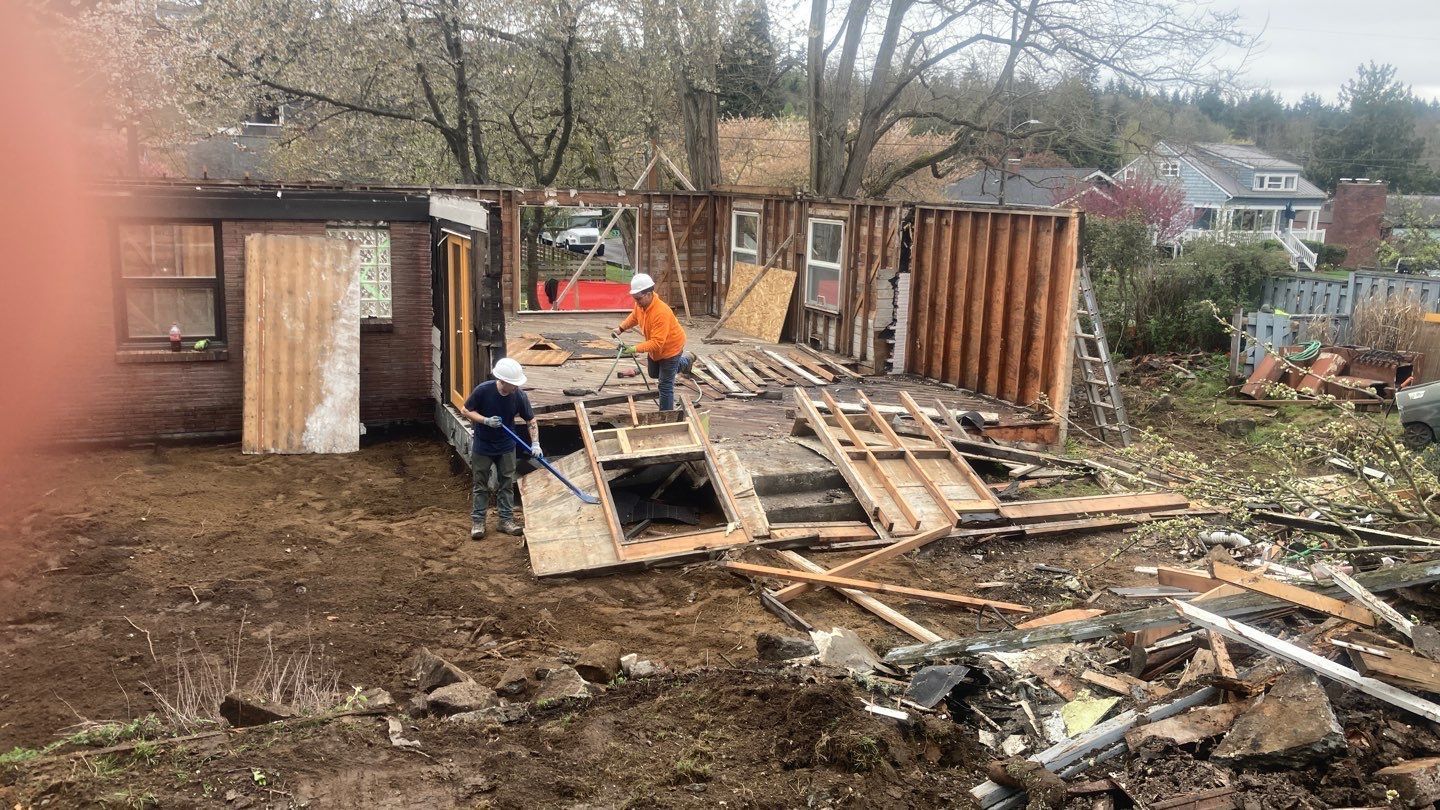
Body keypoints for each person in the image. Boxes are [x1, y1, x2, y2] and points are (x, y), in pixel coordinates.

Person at [458, 357, 538, 539]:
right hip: (483, 445)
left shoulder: (518, 396)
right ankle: (478, 522)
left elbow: (531, 420)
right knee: (480, 484)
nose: (516, 387)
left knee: (507, 483)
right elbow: (465, 410)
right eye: (513, 384)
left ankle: (505, 521)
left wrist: (536, 443)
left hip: (506, 446)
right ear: (503, 381)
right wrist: (485, 420)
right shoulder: (483, 391)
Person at [611, 273, 694, 410]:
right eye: (634, 299)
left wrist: (634, 348)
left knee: (665, 385)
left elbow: (657, 343)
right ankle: (685, 362)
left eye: (638, 299)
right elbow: (635, 316)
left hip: (671, 349)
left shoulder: (661, 312)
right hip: (656, 350)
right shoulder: (641, 305)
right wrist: (621, 328)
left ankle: (666, 417)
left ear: (649, 294)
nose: (636, 302)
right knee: (654, 373)